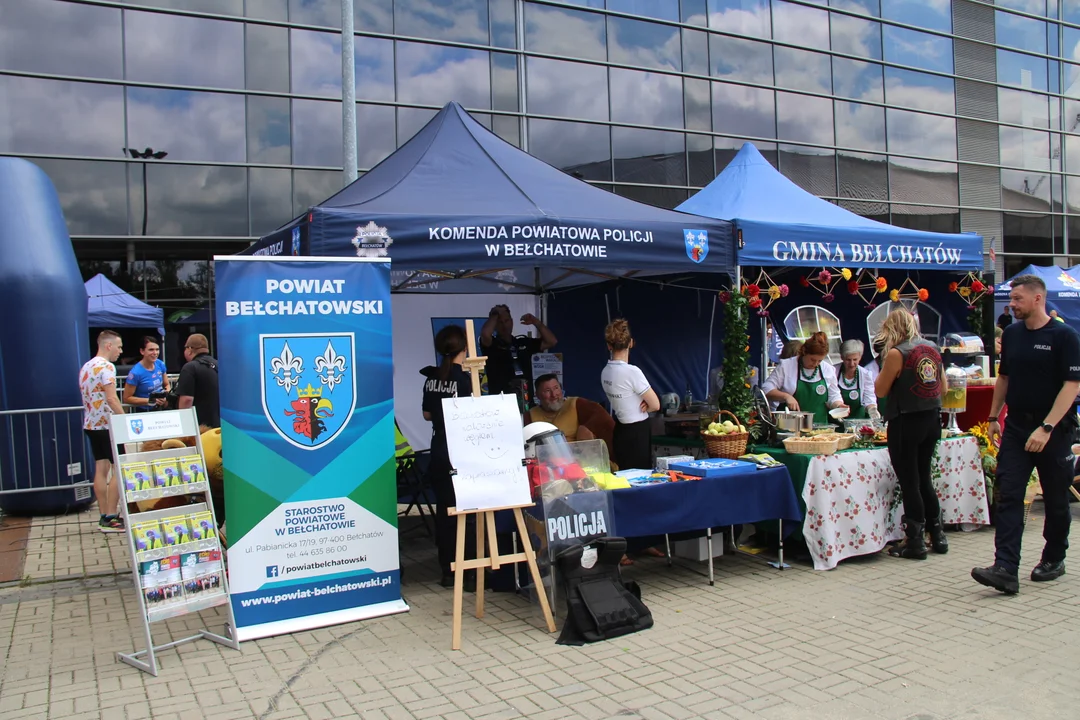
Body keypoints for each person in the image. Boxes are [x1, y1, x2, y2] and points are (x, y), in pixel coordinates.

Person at [972, 274, 1080, 595]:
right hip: (1017, 427)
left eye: (1017, 299)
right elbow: (1003, 378)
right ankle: (1005, 567)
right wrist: (993, 416)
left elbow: (1072, 386)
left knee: (1057, 499)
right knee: (1008, 493)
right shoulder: (1014, 334)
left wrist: (1046, 428)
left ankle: (1053, 557)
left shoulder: (1065, 336)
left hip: (1054, 430)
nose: (1011, 304)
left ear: (1038, 299)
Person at [873, 310, 946, 560]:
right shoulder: (932, 348)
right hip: (931, 419)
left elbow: (881, 390)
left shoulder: (897, 353)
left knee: (909, 481)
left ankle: (915, 541)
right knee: (924, 477)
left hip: (906, 420)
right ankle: (938, 535)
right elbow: (943, 387)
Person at [420, 325, 474, 588]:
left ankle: (447, 570)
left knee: (445, 511)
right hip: (461, 451)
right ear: (464, 347)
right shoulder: (465, 379)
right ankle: (470, 569)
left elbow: (427, 415)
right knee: (467, 512)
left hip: (439, 449)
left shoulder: (431, 377)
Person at [79, 330, 126, 533]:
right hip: (108, 425)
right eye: (119, 346)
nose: (120, 351)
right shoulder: (107, 367)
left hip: (91, 423)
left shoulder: (86, 366)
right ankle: (111, 516)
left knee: (101, 467)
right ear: (109, 346)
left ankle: (103, 515)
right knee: (119, 466)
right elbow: (111, 397)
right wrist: (124, 418)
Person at [601, 319, 660, 471]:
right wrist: (646, 405)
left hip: (620, 429)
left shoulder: (605, 372)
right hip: (638, 431)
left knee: (625, 477)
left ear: (609, 345)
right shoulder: (632, 371)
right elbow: (655, 405)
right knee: (641, 478)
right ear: (631, 343)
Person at [480, 304, 557, 409]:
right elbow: (485, 334)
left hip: (526, 402)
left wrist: (536, 322)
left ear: (512, 321)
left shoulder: (522, 342)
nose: (504, 325)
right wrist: (494, 315)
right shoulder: (491, 345)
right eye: (500, 322)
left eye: (506, 321)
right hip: (501, 404)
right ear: (495, 325)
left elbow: (551, 341)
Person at [526, 374, 616, 463]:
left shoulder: (576, 404)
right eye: (547, 391)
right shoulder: (530, 416)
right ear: (537, 395)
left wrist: (585, 433)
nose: (554, 395)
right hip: (546, 466)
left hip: (580, 462)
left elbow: (605, 424)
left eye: (556, 388)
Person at [762, 332, 846, 425]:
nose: (816, 364)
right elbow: (766, 389)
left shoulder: (828, 369)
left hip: (820, 426)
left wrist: (838, 405)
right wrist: (786, 396)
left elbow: (833, 396)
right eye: (812, 359)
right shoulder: (786, 366)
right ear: (804, 352)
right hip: (790, 425)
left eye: (820, 361)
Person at [176, 334, 219, 428]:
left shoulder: (190, 368)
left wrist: (184, 425)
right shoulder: (218, 364)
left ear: (190, 349)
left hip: (201, 427)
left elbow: (187, 399)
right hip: (220, 425)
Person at [834, 340, 878, 420]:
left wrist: (872, 409)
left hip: (859, 422)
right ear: (842, 357)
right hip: (837, 422)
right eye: (848, 359)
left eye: (855, 359)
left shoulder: (865, 375)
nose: (851, 364)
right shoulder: (833, 372)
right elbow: (831, 396)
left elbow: (869, 398)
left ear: (860, 358)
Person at [123, 336, 170, 411]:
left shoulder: (160, 364)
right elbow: (127, 398)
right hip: (143, 410)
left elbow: (167, 384)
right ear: (142, 351)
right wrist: (149, 400)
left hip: (159, 408)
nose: (155, 353)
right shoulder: (136, 372)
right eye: (151, 350)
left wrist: (165, 395)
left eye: (157, 349)